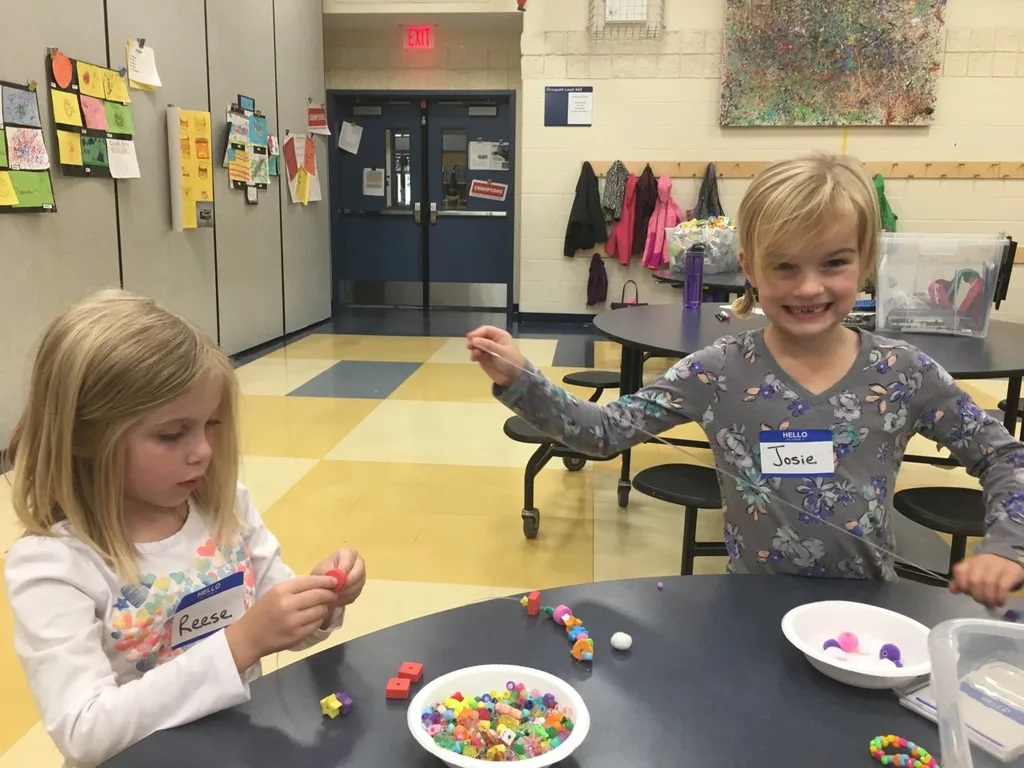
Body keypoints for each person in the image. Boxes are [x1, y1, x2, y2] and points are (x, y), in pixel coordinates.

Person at [468, 152, 1024, 609]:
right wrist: (522, 378)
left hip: (866, 615)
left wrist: (1006, 546)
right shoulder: (720, 369)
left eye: (833, 263)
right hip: (748, 611)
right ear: (750, 269)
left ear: (866, 262)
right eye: (784, 266)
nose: (808, 287)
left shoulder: (901, 373)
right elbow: (604, 431)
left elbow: (1005, 457)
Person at [3, 290, 366, 767]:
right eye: (172, 434)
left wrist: (320, 599)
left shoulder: (224, 508)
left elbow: (283, 623)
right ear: (84, 438)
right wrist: (239, 645)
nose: (202, 451)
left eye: (209, 424)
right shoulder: (55, 565)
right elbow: (84, 730)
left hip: (243, 746)